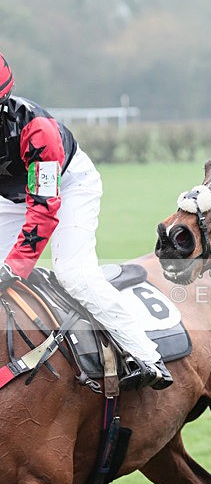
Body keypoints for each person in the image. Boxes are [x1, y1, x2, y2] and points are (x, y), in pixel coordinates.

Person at [0, 52, 172, 391]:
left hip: (68, 186)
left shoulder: (37, 132)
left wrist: (16, 265)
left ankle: (145, 354)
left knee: (74, 274)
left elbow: (45, 209)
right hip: (11, 195)